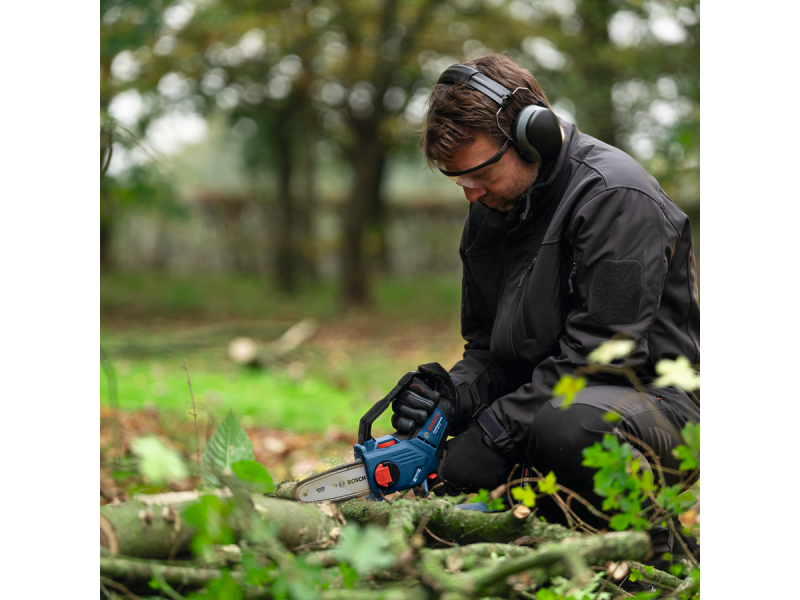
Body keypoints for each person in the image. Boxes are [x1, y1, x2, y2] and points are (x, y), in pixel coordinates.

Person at [388, 54, 699, 570]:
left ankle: (658, 558)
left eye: (481, 171)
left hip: (658, 404)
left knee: (568, 426)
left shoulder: (615, 197)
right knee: (492, 436)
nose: (470, 192)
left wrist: (492, 435)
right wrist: (449, 399)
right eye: (456, 179)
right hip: (549, 399)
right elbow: (487, 350)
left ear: (534, 135)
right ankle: (555, 540)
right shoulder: (491, 208)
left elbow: (600, 355)